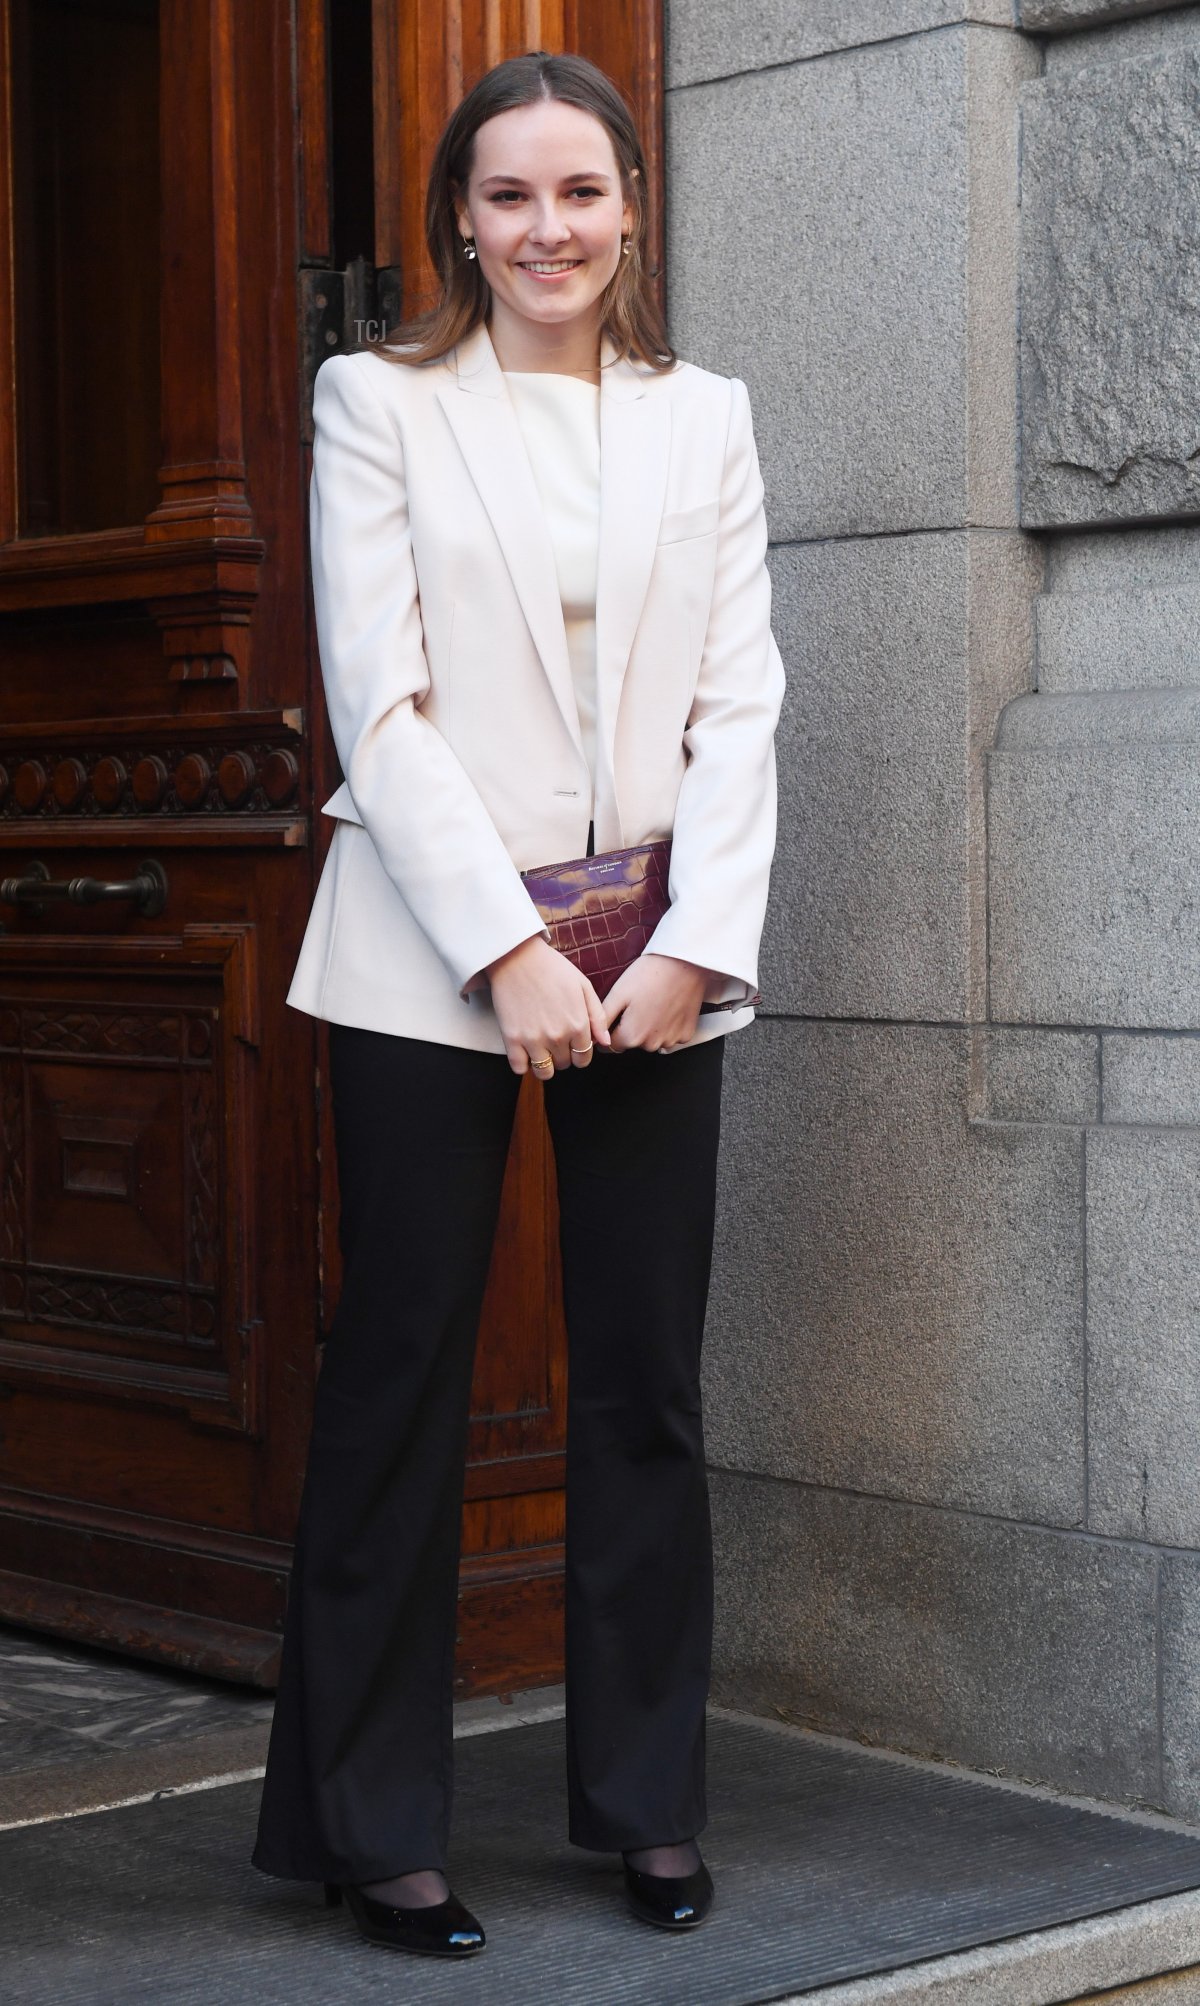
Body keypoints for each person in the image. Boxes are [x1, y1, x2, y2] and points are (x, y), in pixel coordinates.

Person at [250, 48, 785, 1960]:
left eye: (579, 191)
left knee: (646, 1386)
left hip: (658, 968)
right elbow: (375, 702)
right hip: (428, 956)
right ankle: (369, 1825)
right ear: (457, 226)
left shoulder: (704, 415)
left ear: (632, 206)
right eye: (506, 197)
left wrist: (687, 946)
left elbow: (744, 706)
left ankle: (647, 1803)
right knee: (400, 1376)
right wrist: (509, 951)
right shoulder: (377, 403)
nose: (546, 228)